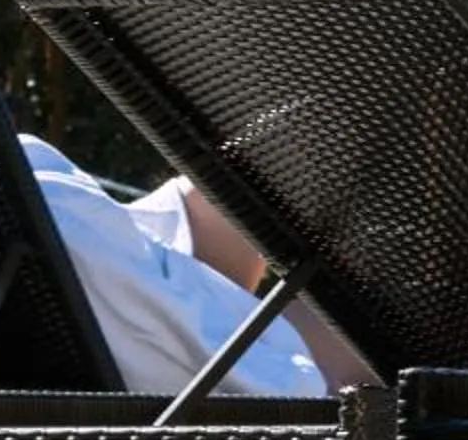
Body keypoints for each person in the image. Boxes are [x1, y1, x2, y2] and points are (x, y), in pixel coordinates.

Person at [21, 137, 376, 396]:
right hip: (204, 370)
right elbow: (291, 388)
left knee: (294, 143)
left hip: (114, 261)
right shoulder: (36, 203)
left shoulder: (19, 178)